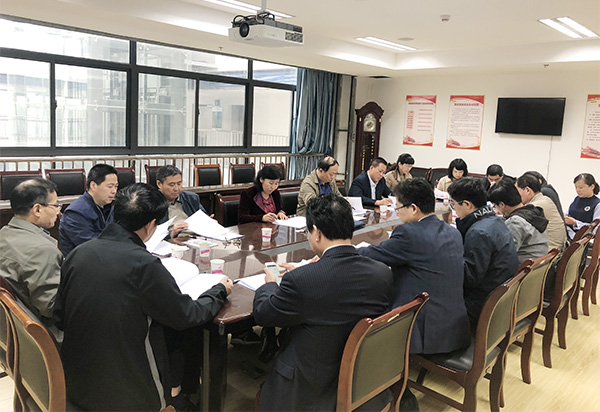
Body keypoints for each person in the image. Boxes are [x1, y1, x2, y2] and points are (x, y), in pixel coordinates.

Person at [54, 183, 233, 411]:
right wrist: (218, 290)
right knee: (176, 335)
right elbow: (186, 315)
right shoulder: (144, 264)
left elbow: (59, 316)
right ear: (150, 225)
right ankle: (178, 397)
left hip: (75, 379)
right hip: (128, 391)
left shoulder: (78, 254)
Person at [253, 194, 393, 411]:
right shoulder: (382, 273)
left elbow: (264, 313)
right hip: (364, 379)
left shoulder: (302, 281)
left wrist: (270, 285)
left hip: (310, 389)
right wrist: (307, 272)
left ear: (317, 232)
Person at [358, 178, 470, 354]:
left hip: (424, 332)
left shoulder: (408, 233)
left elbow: (375, 254)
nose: (398, 213)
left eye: (398, 208)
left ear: (413, 208)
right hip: (455, 328)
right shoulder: (453, 232)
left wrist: (346, 248)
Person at [448, 177, 519, 325]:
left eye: (453, 204)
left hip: (484, 304)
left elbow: (469, 279)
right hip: (501, 298)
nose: (453, 208)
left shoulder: (479, 232)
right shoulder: (494, 220)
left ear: (467, 204)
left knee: (431, 299)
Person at [0, 178, 62, 331]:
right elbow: (51, 308)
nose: (58, 211)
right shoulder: (42, 250)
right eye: (55, 205)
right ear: (37, 209)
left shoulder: (3, 233)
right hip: (42, 331)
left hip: (11, 327)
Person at [59, 163, 118, 255]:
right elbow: (91, 247)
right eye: (110, 186)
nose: (114, 191)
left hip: (107, 257)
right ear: (93, 185)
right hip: (83, 261)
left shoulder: (110, 207)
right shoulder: (75, 213)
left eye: (116, 186)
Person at [488, 180, 549, 264]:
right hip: (537, 266)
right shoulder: (533, 211)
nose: (496, 209)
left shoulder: (515, 222)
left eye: (495, 206)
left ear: (502, 205)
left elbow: (505, 255)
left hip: (523, 268)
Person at [516, 173, 567, 251]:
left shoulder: (535, 206)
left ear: (527, 190)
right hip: (557, 248)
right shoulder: (545, 199)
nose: (516, 195)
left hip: (550, 250)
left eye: (517, 191)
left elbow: (517, 224)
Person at [156, 164, 209, 237]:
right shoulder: (152, 203)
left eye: (179, 183)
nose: (176, 189)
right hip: (170, 240)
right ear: (159, 184)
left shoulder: (191, 198)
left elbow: (204, 218)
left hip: (195, 238)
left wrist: (209, 222)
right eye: (171, 185)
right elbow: (149, 235)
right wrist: (172, 233)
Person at [565, 173, 600, 238]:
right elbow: (568, 214)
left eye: (581, 187)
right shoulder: (577, 199)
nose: (578, 190)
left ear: (592, 186)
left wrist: (576, 223)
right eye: (576, 187)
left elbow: (595, 228)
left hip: (583, 238)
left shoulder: (597, 204)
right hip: (568, 232)